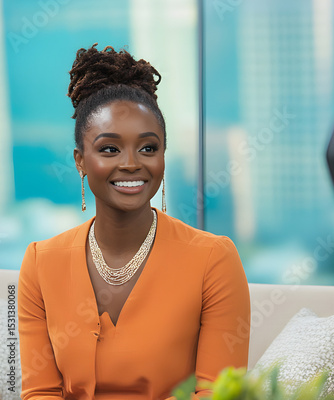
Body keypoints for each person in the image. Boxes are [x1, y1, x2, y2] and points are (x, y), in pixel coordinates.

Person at [17, 43, 251, 400]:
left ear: (163, 155)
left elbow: (217, 394)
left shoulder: (213, 260)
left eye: (148, 148)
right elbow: (40, 393)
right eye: (110, 149)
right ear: (80, 160)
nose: (131, 164)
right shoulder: (40, 262)